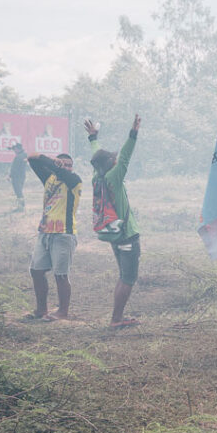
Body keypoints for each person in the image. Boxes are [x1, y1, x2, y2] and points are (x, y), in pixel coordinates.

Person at [86, 115, 142, 328]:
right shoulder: (114, 176)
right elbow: (127, 154)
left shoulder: (97, 176)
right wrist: (133, 133)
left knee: (123, 274)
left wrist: (93, 138)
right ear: (111, 164)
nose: (117, 159)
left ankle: (117, 316)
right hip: (127, 234)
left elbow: (96, 155)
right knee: (127, 278)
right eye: (114, 159)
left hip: (113, 234)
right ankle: (116, 319)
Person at [27, 152, 82, 321]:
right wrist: (51, 159)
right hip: (45, 231)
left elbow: (60, 172)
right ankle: (41, 310)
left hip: (64, 233)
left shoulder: (74, 180)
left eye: (69, 165)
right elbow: (32, 159)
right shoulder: (49, 179)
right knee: (36, 271)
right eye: (62, 164)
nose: (66, 167)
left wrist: (54, 164)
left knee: (61, 274)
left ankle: (62, 312)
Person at [9, 143, 27, 212]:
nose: (14, 150)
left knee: (18, 192)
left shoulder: (18, 157)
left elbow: (14, 168)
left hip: (16, 176)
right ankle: (21, 206)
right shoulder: (24, 155)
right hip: (22, 176)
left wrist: (10, 175)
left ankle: (21, 207)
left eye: (15, 149)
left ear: (17, 149)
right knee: (19, 191)